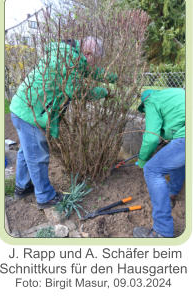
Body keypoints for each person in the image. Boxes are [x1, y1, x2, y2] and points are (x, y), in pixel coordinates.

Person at [10, 36, 117, 209]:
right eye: (94, 61)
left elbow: (88, 71)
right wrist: (103, 91)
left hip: (22, 108)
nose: (93, 65)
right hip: (31, 113)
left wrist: (113, 77)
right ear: (88, 53)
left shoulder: (68, 56)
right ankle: (45, 197)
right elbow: (77, 91)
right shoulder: (69, 61)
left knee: (26, 151)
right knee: (37, 156)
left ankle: (22, 186)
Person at [133, 88, 185, 238]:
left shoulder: (151, 101)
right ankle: (171, 194)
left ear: (144, 102)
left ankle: (161, 232)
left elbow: (151, 138)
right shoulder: (171, 93)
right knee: (176, 159)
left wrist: (142, 160)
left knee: (152, 170)